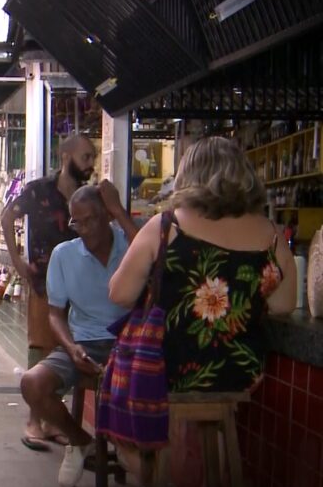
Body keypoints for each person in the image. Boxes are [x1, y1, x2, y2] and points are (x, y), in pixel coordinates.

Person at [109, 136, 295, 392]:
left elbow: (120, 294)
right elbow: (283, 305)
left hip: (163, 369)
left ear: (188, 175)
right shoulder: (274, 236)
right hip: (239, 374)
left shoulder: (165, 227)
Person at [19, 184, 138, 487]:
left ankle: (130, 450)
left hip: (129, 346)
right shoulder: (65, 254)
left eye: (90, 220)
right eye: (76, 222)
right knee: (32, 384)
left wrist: (120, 212)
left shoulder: (132, 244)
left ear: (107, 216)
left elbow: (158, 260)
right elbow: (55, 313)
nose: (82, 229)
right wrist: (71, 348)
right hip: (82, 343)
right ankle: (80, 440)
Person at [2, 134, 97, 451]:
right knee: (41, 348)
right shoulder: (38, 190)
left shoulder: (88, 195)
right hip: (44, 281)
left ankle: (56, 421)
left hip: (81, 285)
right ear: (65, 154)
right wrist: (17, 260)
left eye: (92, 157)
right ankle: (34, 421)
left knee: (65, 352)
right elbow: (7, 216)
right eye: (85, 156)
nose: (90, 163)